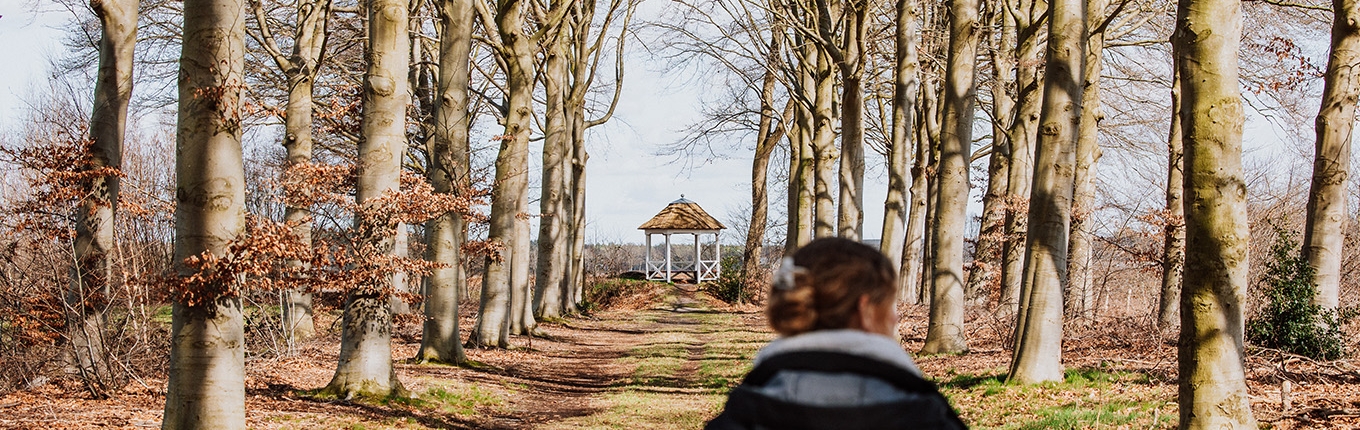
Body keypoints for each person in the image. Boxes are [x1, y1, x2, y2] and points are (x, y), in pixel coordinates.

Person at [705, 237, 966, 430]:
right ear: (864, 310)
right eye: (889, 305)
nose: (895, 317)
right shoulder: (926, 415)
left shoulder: (743, 412)